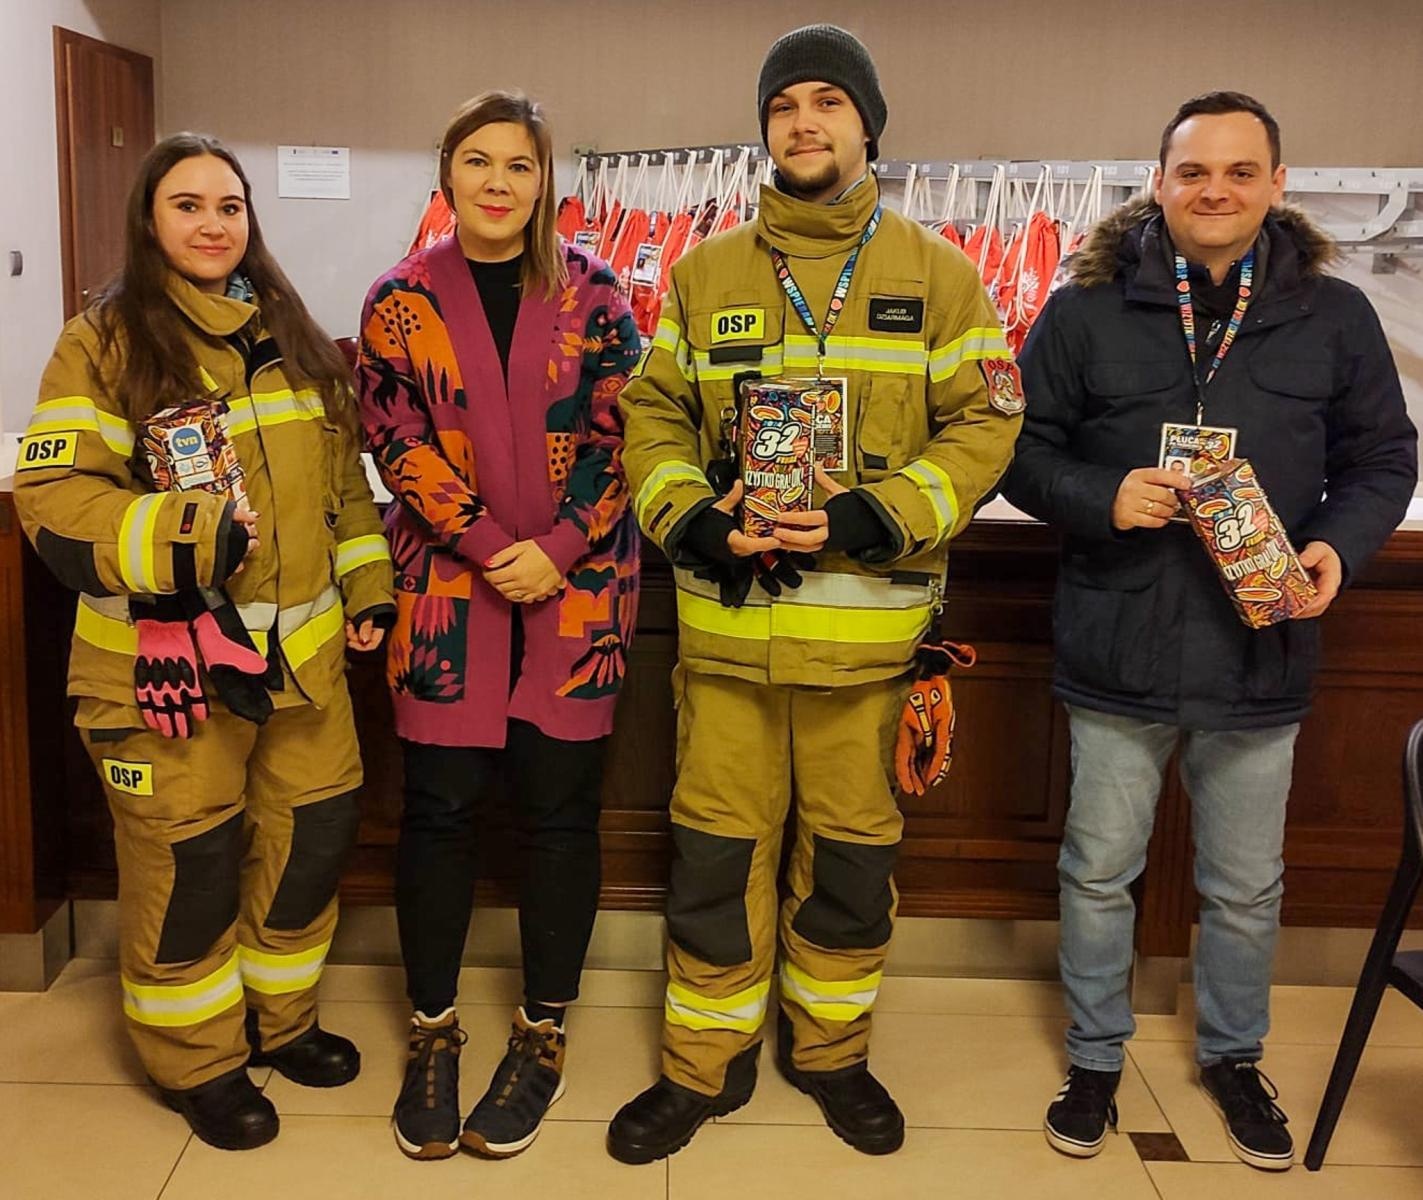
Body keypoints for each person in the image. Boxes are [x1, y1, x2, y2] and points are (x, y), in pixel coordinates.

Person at [608, 24, 1023, 1164]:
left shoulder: (939, 274)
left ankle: (831, 1057)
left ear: (866, 124)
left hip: (868, 662)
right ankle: (703, 1067)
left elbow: (988, 424)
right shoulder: (702, 276)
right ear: (765, 128)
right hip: (728, 651)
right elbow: (649, 420)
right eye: (785, 103)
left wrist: (868, 515)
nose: (805, 121)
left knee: (847, 870)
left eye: (828, 101)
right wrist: (693, 518)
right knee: (712, 865)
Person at [1002, 92, 1418, 1171]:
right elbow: (1017, 452)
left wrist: (1337, 546)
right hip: (1117, 640)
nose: (1216, 190)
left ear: (1278, 185)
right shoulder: (1082, 309)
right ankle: (1094, 1056)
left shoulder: (1334, 316)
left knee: (1245, 884)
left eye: (1240, 171)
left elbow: (1381, 459)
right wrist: (1102, 495)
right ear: (1159, 180)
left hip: (1257, 646)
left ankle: (1234, 1056)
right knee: (1098, 871)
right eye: (1193, 172)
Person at [13, 134, 395, 1150]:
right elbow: (53, 502)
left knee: (309, 848)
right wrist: (189, 535)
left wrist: (367, 586)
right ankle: (200, 1060)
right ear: (150, 220)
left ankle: (282, 1022)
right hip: (161, 679)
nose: (213, 224)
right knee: (191, 875)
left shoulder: (291, 334)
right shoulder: (102, 342)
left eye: (229, 206)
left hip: (304, 674)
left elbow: (345, 489)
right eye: (188, 205)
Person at [357, 90, 642, 1162]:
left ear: (543, 181)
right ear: (447, 176)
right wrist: (484, 544)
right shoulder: (400, 300)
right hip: (447, 599)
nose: (495, 183)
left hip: (579, 600)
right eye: (476, 162)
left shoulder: (598, 294)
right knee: (436, 813)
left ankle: (543, 1031)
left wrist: (558, 549)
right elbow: (396, 440)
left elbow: (628, 439)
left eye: (517, 166)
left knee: (561, 817)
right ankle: (432, 1032)